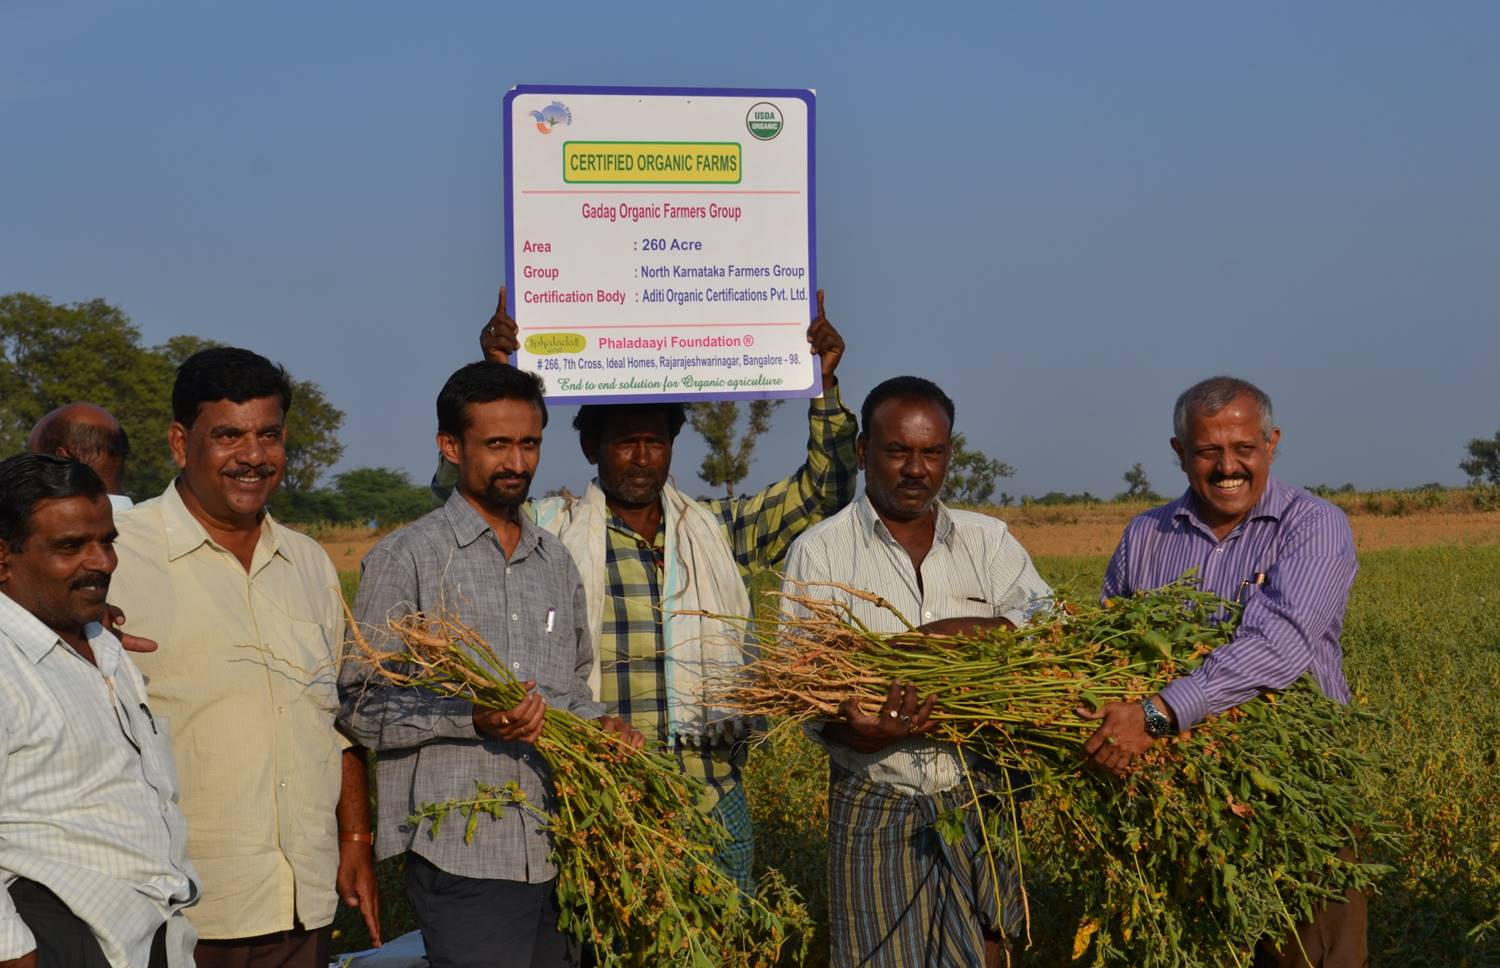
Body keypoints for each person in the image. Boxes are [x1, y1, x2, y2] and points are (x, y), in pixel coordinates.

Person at [438, 286, 859, 893]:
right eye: (625, 441)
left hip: (710, 799)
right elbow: (465, 508)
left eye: (655, 441)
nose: (641, 457)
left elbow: (824, 492)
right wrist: (495, 379)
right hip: (594, 798)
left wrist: (822, 384)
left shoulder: (715, 530)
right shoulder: (547, 533)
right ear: (592, 448)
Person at [339, 362, 640, 968]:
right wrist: (470, 717)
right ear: (451, 447)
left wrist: (602, 727)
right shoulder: (407, 558)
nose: (517, 462)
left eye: (529, 443)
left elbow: (573, 688)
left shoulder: (553, 560)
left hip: (563, 846)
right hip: (463, 855)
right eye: (496, 444)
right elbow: (361, 707)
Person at [107, 348, 380, 967]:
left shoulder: (309, 562)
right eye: (227, 436)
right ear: (181, 443)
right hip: (179, 912)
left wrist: (355, 837)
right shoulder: (117, 556)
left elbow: (336, 721)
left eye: (269, 435)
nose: (253, 456)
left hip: (301, 900)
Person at [1080, 375, 1364, 967]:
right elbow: (1108, 646)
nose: (1227, 467)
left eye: (1244, 449)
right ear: (1181, 453)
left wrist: (1157, 713)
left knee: (1311, 957)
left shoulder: (1313, 526)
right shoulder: (1145, 536)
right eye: (1209, 451)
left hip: (1298, 794)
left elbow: (1279, 645)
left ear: (1272, 443)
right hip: (1179, 801)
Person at [781, 376, 1052, 968]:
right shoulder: (821, 553)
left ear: (949, 455)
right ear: (862, 453)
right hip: (874, 792)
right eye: (898, 450)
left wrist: (936, 640)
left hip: (979, 792)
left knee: (988, 949)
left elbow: (1045, 631)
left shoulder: (988, 542)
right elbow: (804, 697)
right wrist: (857, 732)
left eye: (932, 453)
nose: (915, 469)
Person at [0, 454, 199, 968]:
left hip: (142, 933)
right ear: (3, 558)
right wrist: (14, 953)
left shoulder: (100, 639)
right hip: (56, 937)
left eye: (106, 541)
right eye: (70, 547)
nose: (103, 562)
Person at [27, 402, 133, 509]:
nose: (28, 472)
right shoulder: (147, 520)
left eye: (34, 460)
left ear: (62, 460)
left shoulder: (40, 524)